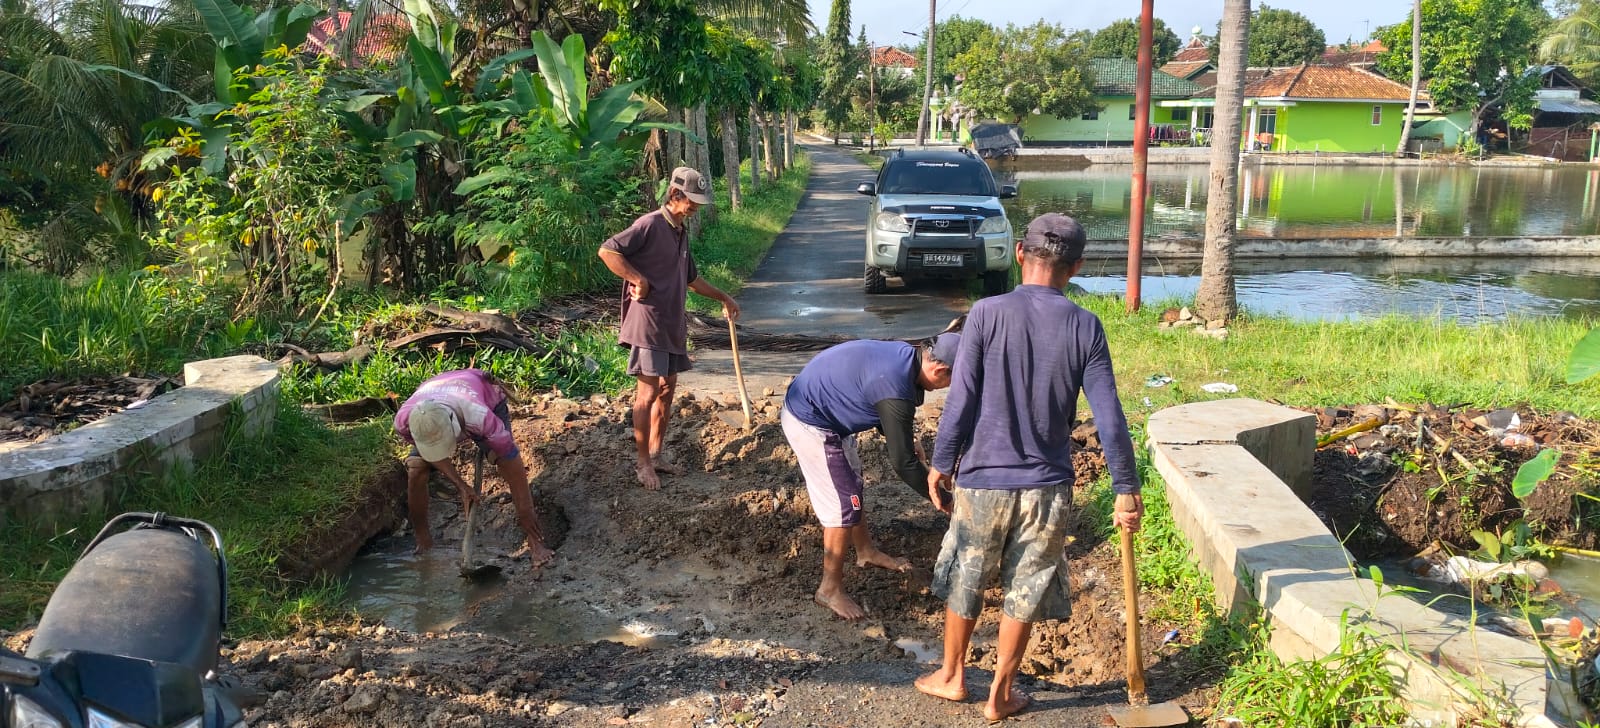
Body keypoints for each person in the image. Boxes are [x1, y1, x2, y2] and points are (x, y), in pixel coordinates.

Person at [913, 213, 1143, 722]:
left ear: (1020, 253)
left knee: (967, 577)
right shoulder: (1086, 326)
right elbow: (1110, 416)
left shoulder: (986, 313)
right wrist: (1125, 486)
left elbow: (962, 399)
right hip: (1047, 487)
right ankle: (1000, 693)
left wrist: (942, 462)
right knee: (1026, 585)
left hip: (983, 480)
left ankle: (952, 677)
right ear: (1077, 266)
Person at [780, 333, 961, 620]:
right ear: (939, 370)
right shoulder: (895, 384)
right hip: (811, 420)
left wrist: (902, 437)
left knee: (852, 485)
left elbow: (876, 397)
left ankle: (866, 552)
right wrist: (948, 501)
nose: (948, 388)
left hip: (830, 411)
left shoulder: (906, 357)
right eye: (952, 382)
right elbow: (902, 463)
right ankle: (829, 589)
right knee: (843, 506)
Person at [599, 167, 740, 491]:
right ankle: (643, 464)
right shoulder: (649, 225)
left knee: (667, 388)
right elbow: (607, 251)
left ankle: (656, 453)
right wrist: (638, 279)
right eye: (691, 202)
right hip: (648, 323)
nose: (695, 209)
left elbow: (691, 280)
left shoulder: (680, 231)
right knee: (647, 393)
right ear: (675, 196)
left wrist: (724, 296)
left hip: (672, 324)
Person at [394, 368, 554, 566]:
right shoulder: (406, 421)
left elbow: (514, 469)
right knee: (416, 468)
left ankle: (535, 542)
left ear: (454, 427)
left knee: (501, 458)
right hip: (439, 388)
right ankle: (423, 541)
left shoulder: (482, 418)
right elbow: (431, 454)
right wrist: (461, 485)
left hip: (482, 395)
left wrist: (525, 515)